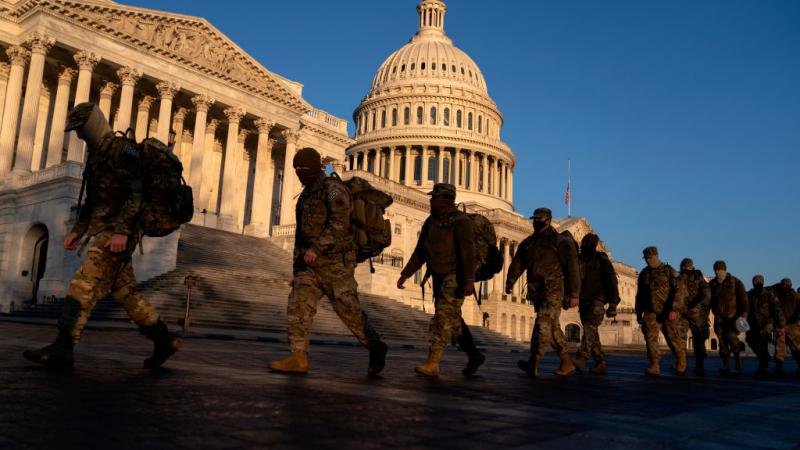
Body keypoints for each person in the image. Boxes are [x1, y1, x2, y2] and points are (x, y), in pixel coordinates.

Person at [23, 103, 180, 369]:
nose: (78, 136)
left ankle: (63, 347)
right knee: (127, 293)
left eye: (81, 129)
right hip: (104, 229)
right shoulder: (96, 155)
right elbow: (92, 199)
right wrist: (78, 229)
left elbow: (136, 192)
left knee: (81, 287)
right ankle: (163, 340)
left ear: (92, 124)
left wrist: (122, 231)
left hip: (117, 233)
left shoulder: (122, 149)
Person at [268, 148, 387, 376]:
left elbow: (340, 221)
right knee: (298, 306)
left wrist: (318, 247)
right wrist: (298, 265)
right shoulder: (306, 193)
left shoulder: (332, 189)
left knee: (349, 312)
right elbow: (303, 234)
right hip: (309, 265)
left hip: (335, 264)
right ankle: (298, 356)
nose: (299, 172)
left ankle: (375, 346)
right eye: (296, 169)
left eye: (303, 168)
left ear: (315, 167)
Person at [397, 183, 484, 377]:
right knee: (453, 320)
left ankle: (433, 361)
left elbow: (468, 252)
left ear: (445, 199)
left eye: (434, 197)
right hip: (438, 276)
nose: (431, 200)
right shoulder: (431, 222)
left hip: (456, 276)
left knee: (442, 317)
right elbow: (420, 251)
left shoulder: (461, 221)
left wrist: (469, 279)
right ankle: (474, 354)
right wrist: (406, 273)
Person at [507, 208, 581, 378]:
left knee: (543, 325)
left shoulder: (560, 242)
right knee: (552, 327)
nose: (536, 222)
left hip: (554, 290)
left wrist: (574, 293)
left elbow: (572, 269)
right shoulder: (529, 243)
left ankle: (534, 362)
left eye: (539, 219)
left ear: (548, 220)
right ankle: (566, 361)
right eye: (535, 219)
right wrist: (510, 280)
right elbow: (518, 263)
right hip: (537, 291)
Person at [572, 233, 620, 375]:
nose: (584, 246)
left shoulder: (601, 260)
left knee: (589, 328)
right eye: (583, 243)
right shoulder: (579, 260)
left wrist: (613, 303)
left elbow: (612, 281)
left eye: (587, 244)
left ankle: (582, 358)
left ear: (594, 246)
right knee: (592, 333)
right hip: (584, 301)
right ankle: (600, 362)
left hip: (598, 300)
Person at [635, 247, 687, 377]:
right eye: (646, 258)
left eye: (650, 258)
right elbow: (640, 294)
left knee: (672, 337)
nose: (648, 260)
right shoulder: (644, 273)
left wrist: (674, 309)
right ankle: (654, 365)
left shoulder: (668, 271)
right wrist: (638, 312)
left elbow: (679, 291)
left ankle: (681, 361)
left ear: (657, 256)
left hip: (667, 309)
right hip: (650, 310)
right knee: (650, 338)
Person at [709, 260, 749, 374]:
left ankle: (737, 358)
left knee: (732, 338)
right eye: (715, 270)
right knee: (721, 342)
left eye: (719, 270)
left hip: (732, 318)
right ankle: (725, 364)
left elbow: (743, 299)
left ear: (724, 270)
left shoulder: (735, 282)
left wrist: (744, 314)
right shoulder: (712, 284)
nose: (717, 272)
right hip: (719, 318)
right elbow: (708, 300)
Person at [677, 258, 711, 375]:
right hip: (683, 313)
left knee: (699, 340)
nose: (683, 269)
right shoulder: (679, 278)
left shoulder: (698, 277)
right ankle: (681, 363)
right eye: (682, 267)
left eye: (685, 267)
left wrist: (698, 306)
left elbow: (706, 295)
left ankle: (699, 364)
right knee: (679, 338)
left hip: (696, 313)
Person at [745, 275, 784, 376]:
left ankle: (762, 365)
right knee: (749, 339)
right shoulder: (750, 294)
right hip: (753, 323)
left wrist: (780, 324)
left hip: (767, 323)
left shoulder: (769, 294)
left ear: (762, 282)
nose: (756, 283)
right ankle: (764, 357)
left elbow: (777, 309)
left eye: (758, 282)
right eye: (755, 282)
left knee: (763, 342)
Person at [771, 278, 800, 374]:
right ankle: (778, 366)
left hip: (792, 325)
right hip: (783, 325)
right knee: (781, 346)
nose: (784, 287)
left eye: (784, 285)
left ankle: (779, 366)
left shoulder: (795, 296)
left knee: (794, 346)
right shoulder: (778, 296)